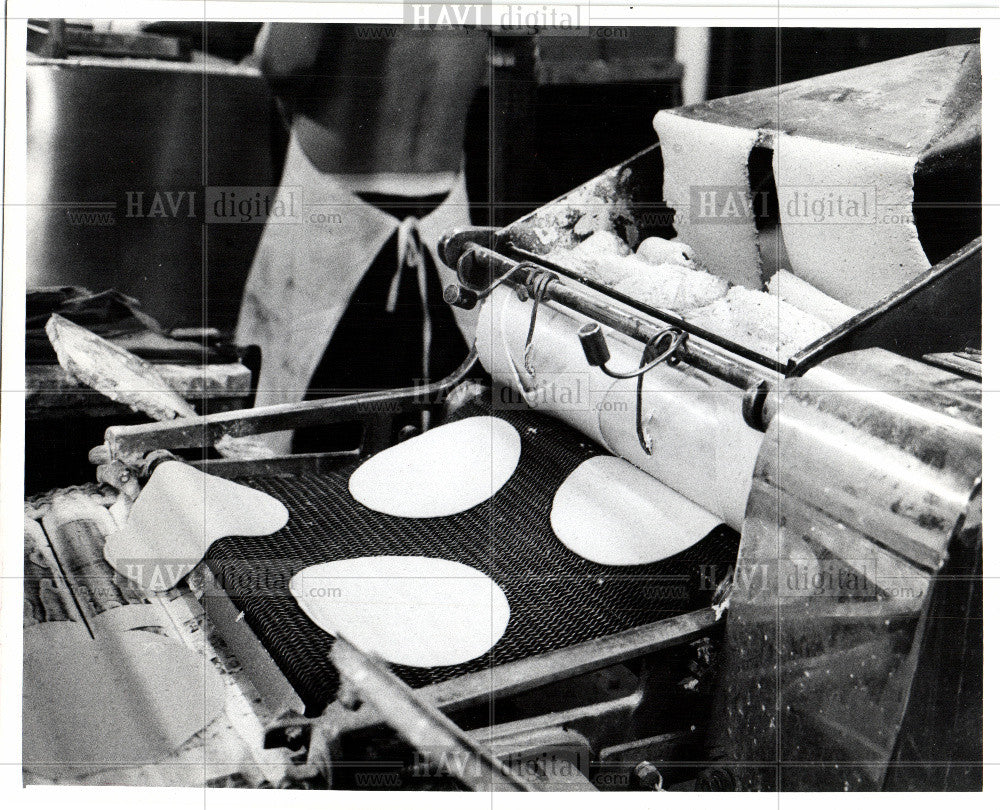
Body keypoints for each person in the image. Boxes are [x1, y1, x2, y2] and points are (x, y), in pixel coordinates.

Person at [235, 23, 489, 453]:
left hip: (338, 209)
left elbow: (287, 60)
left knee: (296, 454)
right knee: (433, 446)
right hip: (441, 201)